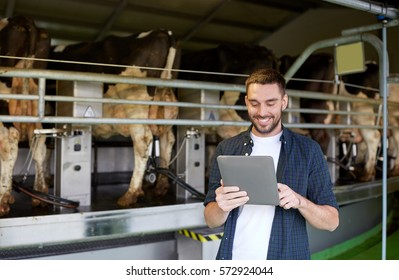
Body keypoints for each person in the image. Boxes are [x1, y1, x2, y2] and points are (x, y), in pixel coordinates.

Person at [203, 68, 339, 260]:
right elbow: (210, 220)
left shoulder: (308, 151)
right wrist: (221, 206)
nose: (262, 112)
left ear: (284, 102)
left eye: (270, 103)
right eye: (254, 103)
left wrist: (300, 202)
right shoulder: (227, 148)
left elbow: (332, 221)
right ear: (246, 102)